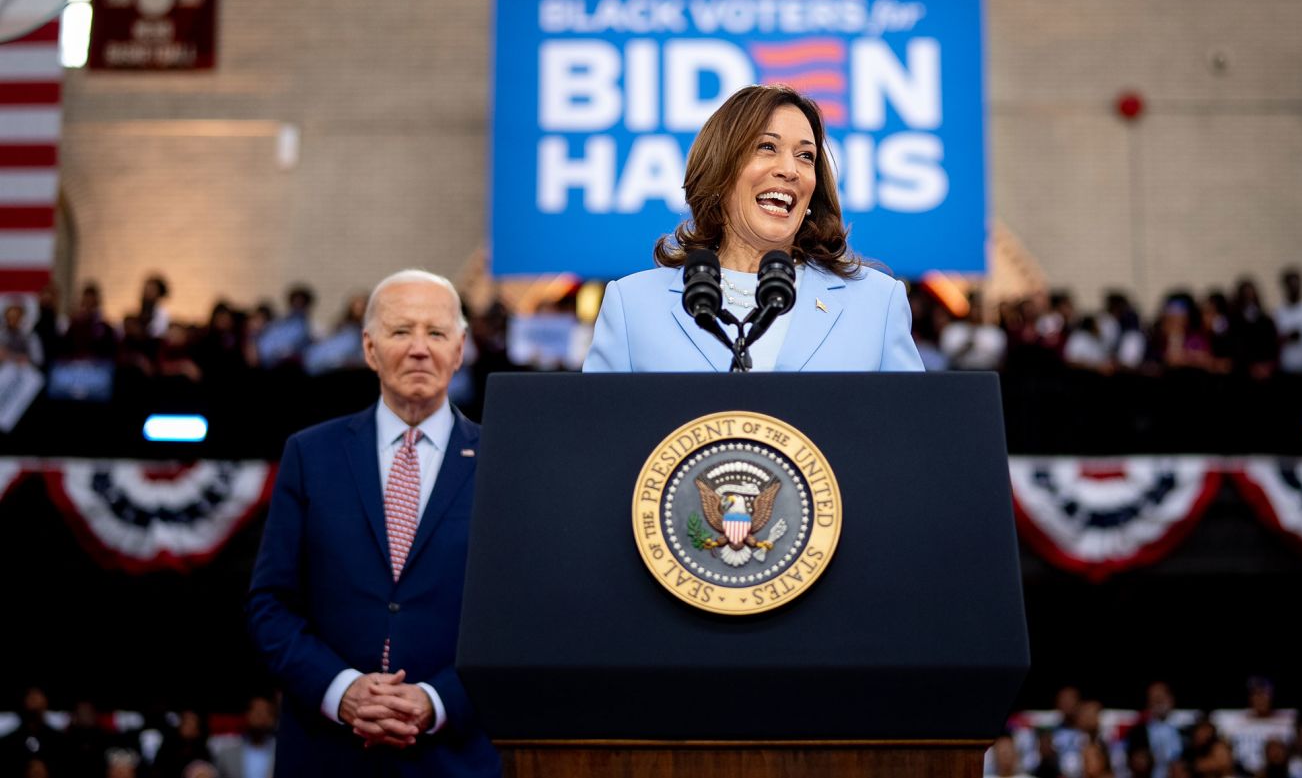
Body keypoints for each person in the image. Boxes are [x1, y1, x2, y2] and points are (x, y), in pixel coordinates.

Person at [246, 269, 500, 777]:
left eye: (436, 332)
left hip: (454, 758)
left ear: (461, 348)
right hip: (327, 754)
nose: (420, 348)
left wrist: (436, 700)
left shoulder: (504, 459)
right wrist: (340, 691)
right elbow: (269, 605)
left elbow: (520, 619)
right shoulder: (309, 455)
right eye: (401, 331)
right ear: (368, 348)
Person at [583, 84, 923, 372]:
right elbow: (598, 439)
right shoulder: (632, 306)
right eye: (767, 147)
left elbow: (910, 440)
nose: (789, 169)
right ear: (719, 171)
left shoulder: (878, 304)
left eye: (806, 156)